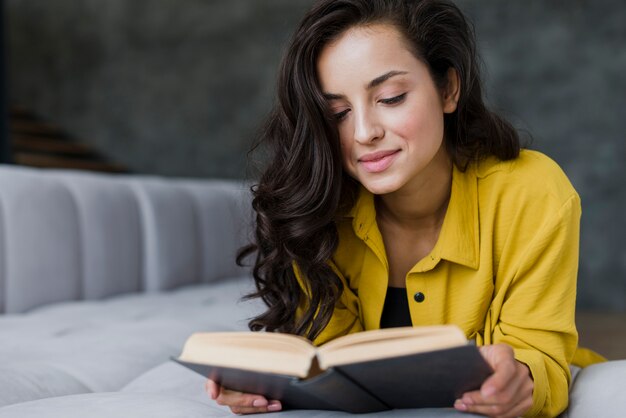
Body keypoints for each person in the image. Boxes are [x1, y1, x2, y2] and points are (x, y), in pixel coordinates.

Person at [206, 0, 603, 416]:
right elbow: (325, 366)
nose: (364, 132)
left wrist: (521, 379)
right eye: (337, 113)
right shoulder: (318, 209)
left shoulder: (533, 193)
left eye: (391, 98)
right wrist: (266, 383)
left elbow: (541, 354)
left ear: (448, 88)